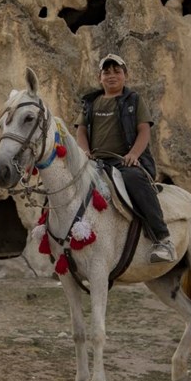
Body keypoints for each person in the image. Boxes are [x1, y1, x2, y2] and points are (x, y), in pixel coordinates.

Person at [75, 53, 175, 263]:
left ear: (125, 76)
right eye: (106, 72)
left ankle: (163, 239)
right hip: (95, 162)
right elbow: (81, 131)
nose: (111, 76)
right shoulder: (91, 102)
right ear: (99, 77)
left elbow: (144, 131)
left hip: (123, 162)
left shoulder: (134, 100)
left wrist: (133, 155)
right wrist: (84, 151)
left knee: (134, 179)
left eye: (117, 71)